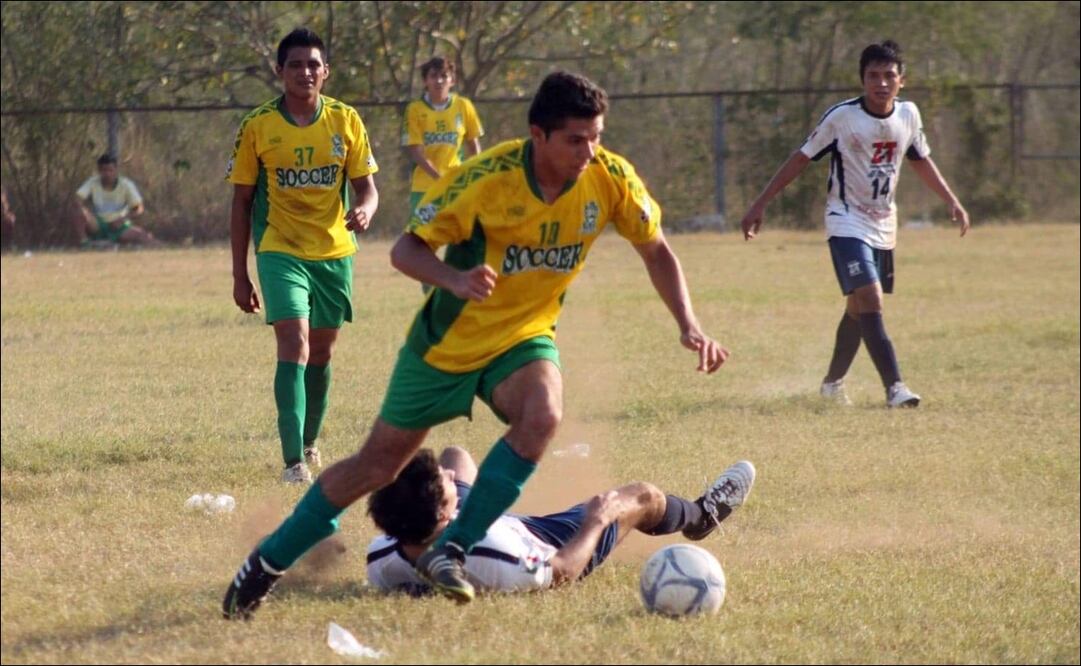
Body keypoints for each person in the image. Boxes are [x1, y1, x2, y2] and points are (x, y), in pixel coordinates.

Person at [223, 70, 728, 619]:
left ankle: (454, 547)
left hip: (522, 338)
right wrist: (454, 279)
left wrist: (689, 323)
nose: (590, 151)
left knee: (543, 413)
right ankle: (265, 564)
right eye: (576, 140)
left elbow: (656, 251)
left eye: (597, 136)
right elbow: (405, 251)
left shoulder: (610, 178)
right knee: (376, 465)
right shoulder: (486, 180)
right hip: (445, 346)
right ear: (538, 135)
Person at [738, 40, 970, 408]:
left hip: (883, 224)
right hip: (845, 220)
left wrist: (951, 200)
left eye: (888, 76)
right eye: (873, 76)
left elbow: (920, 158)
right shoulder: (842, 118)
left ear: (902, 81)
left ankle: (832, 384)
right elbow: (800, 158)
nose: (881, 83)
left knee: (857, 307)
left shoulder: (909, 115)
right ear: (862, 80)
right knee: (871, 297)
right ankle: (896, 388)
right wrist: (759, 204)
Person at [227, 28, 379, 484]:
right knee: (294, 342)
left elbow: (366, 187)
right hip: (280, 248)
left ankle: (311, 441)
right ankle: (293, 462)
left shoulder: (345, 120)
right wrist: (240, 274)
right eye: (295, 64)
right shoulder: (258, 125)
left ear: (325, 72)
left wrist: (367, 210)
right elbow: (241, 202)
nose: (305, 72)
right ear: (280, 72)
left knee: (323, 352)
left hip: (333, 251)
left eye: (313, 64)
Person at [365, 447, 755, 595]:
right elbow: (565, 571)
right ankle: (701, 516)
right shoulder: (499, 558)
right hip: (541, 538)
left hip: (465, 530)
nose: (448, 479)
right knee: (641, 496)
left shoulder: (382, 553)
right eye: (443, 484)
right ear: (442, 513)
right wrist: (596, 522)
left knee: (455, 455)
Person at [402, 56, 484, 222]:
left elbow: (473, 146)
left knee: (461, 237)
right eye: (433, 76)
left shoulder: (464, 106)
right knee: (420, 238)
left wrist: (474, 176)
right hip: (425, 187)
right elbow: (416, 151)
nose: (439, 81)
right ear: (425, 81)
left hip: (456, 186)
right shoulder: (415, 110)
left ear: (452, 80)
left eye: (444, 76)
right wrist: (439, 179)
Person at [73, 154, 158, 247]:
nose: (107, 174)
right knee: (78, 211)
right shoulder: (93, 182)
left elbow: (139, 208)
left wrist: (124, 218)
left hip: (119, 226)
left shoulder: (126, 184)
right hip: (98, 225)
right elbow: (77, 200)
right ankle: (84, 243)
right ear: (99, 171)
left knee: (143, 236)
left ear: (116, 170)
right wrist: (83, 210)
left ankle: (165, 249)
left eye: (110, 170)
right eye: (104, 170)